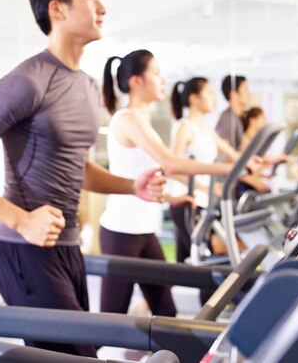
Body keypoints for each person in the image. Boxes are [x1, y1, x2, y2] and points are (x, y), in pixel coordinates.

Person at [0, 0, 165, 357]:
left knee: (75, 352)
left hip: (68, 246)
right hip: (23, 250)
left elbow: (79, 168)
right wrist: (20, 219)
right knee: (76, 355)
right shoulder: (27, 81)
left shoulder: (89, 87)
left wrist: (131, 186)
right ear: (57, 9)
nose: (103, 8)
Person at [100, 50, 260, 317]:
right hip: (121, 231)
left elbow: (153, 171)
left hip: (145, 229)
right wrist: (233, 169)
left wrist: (172, 197)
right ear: (136, 81)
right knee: (111, 317)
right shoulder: (126, 119)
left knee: (166, 312)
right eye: (156, 73)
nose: (163, 79)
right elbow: (171, 163)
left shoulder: (143, 122)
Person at [169, 77, 241, 262]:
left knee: (192, 260)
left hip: (203, 203)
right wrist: (203, 187)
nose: (214, 98)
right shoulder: (184, 128)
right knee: (202, 259)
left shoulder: (206, 130)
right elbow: (172, 169)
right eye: (209, 92)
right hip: (187, 202)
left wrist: (261, 161)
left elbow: (234, 154)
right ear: (194, 98)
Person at [215, 74, 252, 151]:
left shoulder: (237, 117)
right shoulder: (227, 118)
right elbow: (222, 154)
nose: (249, 94)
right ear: (233, 94)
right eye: (245, 89)